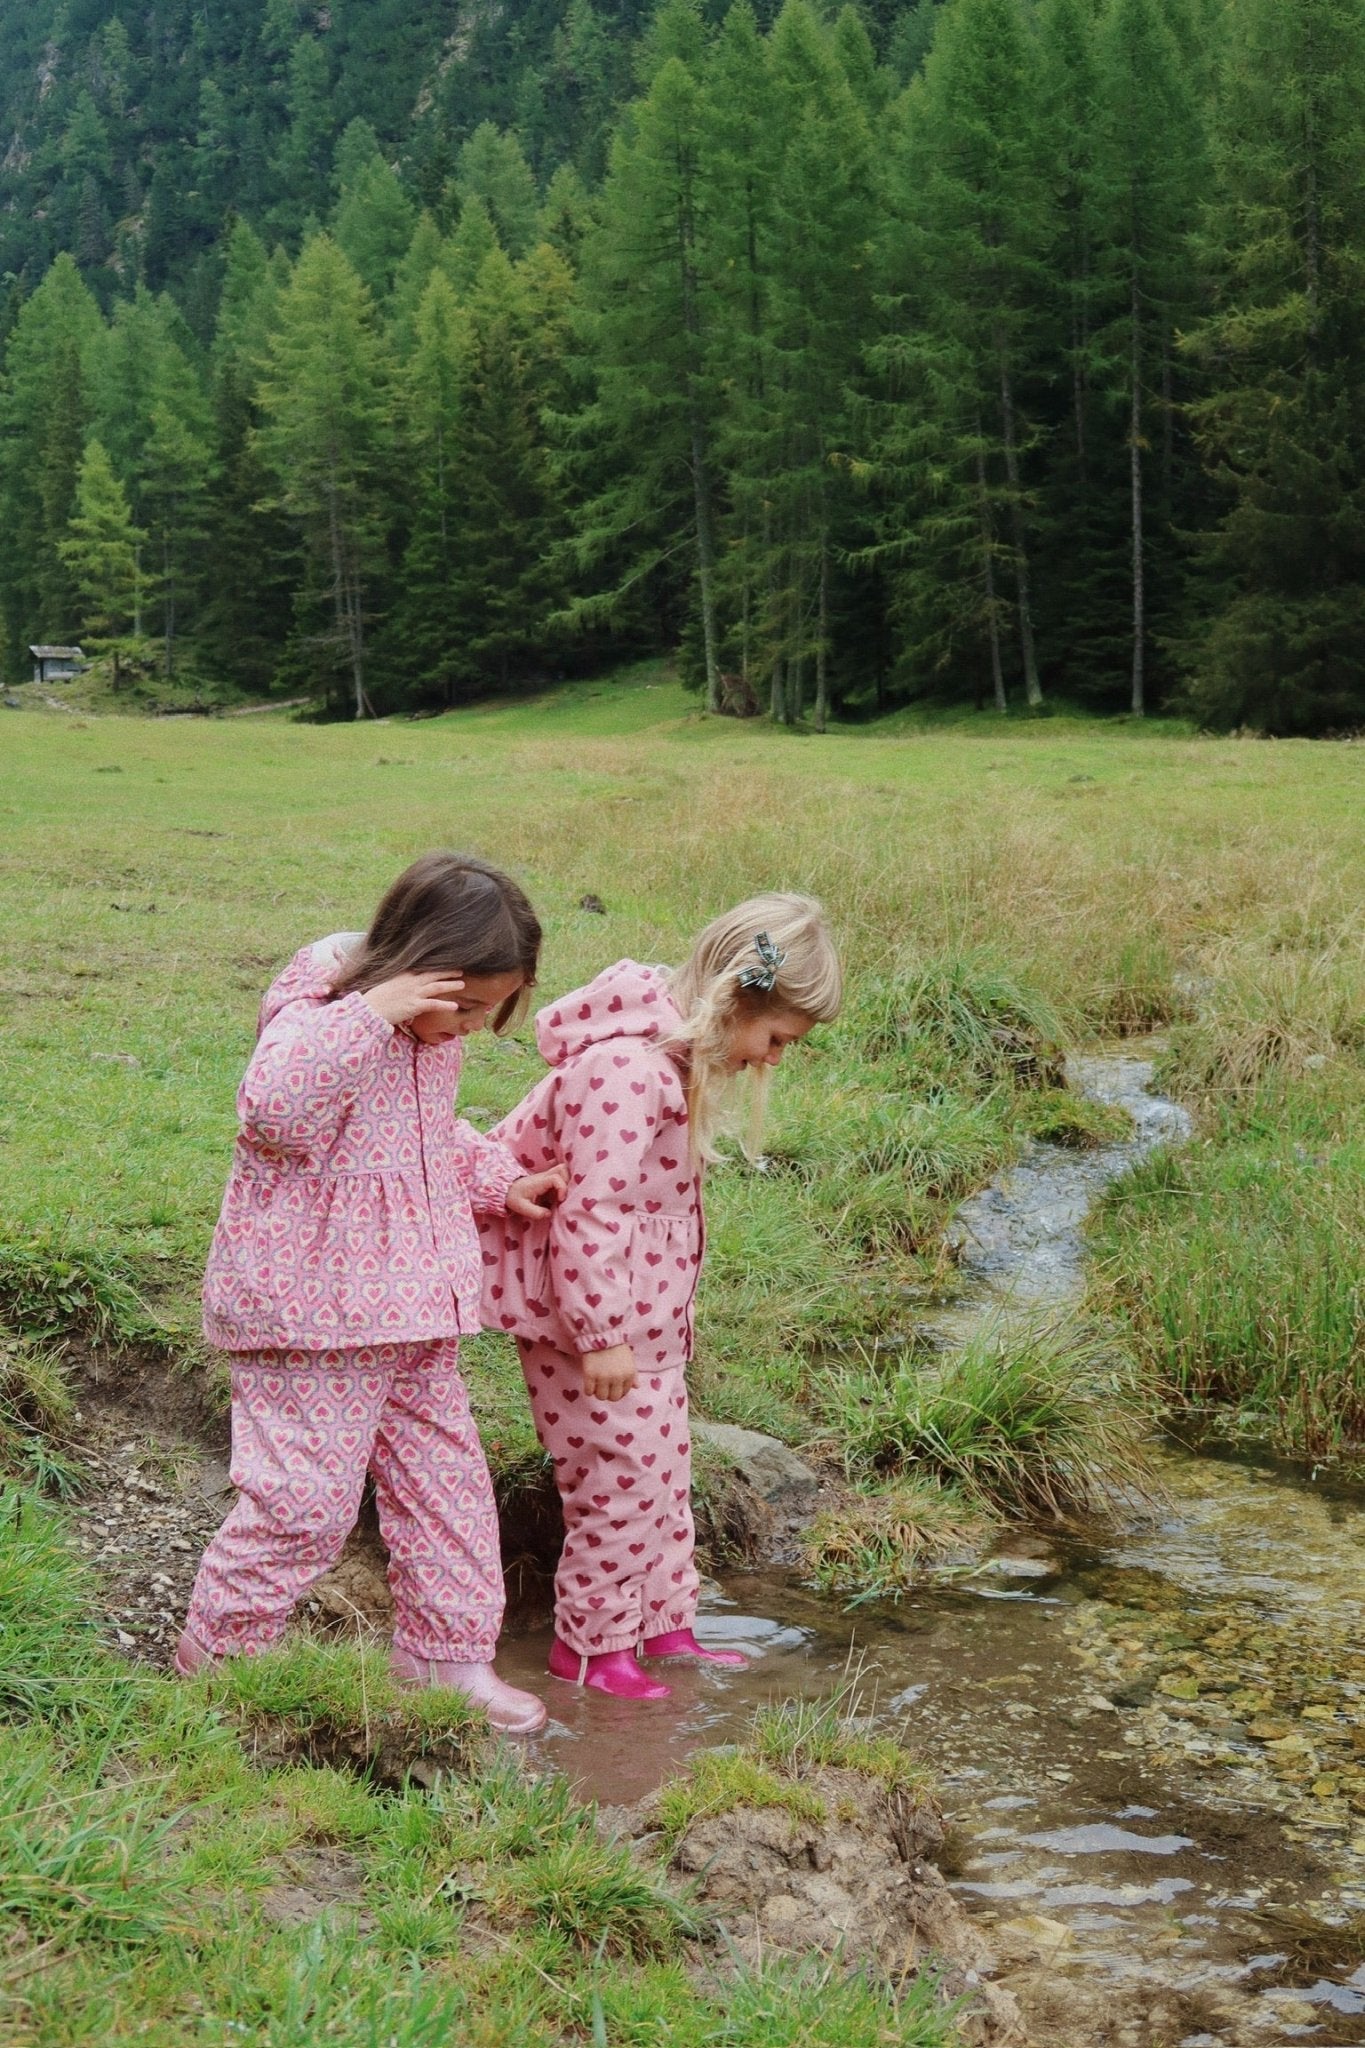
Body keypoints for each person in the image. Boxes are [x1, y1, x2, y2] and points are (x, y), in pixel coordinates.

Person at [175, 853, 566, 1734]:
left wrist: (499, 1180)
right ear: (409, 966)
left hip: (414, 1313)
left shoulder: (433, 1042)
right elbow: (271, 1112)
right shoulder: (321, 1010)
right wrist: (370, 1014)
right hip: (311, 1312)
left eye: (487, 1012)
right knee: (301, 1503)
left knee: (449, 1493)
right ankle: (224, 1662)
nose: (468, 1026)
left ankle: (445, 1659)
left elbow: (428, 1139)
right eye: (460, 1005)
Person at [480, 894, 843, 1700]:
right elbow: (592, 1211)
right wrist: (602, 1331)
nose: (775, 1059)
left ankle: (661, 1622)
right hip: (586, 1326)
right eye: (776, 1038)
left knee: (662, 1469)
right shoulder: (626, 1073)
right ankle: (590, 1647)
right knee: (613, 1475)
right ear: (736, 1000)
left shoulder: (672, 1066)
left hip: (642, 1324)